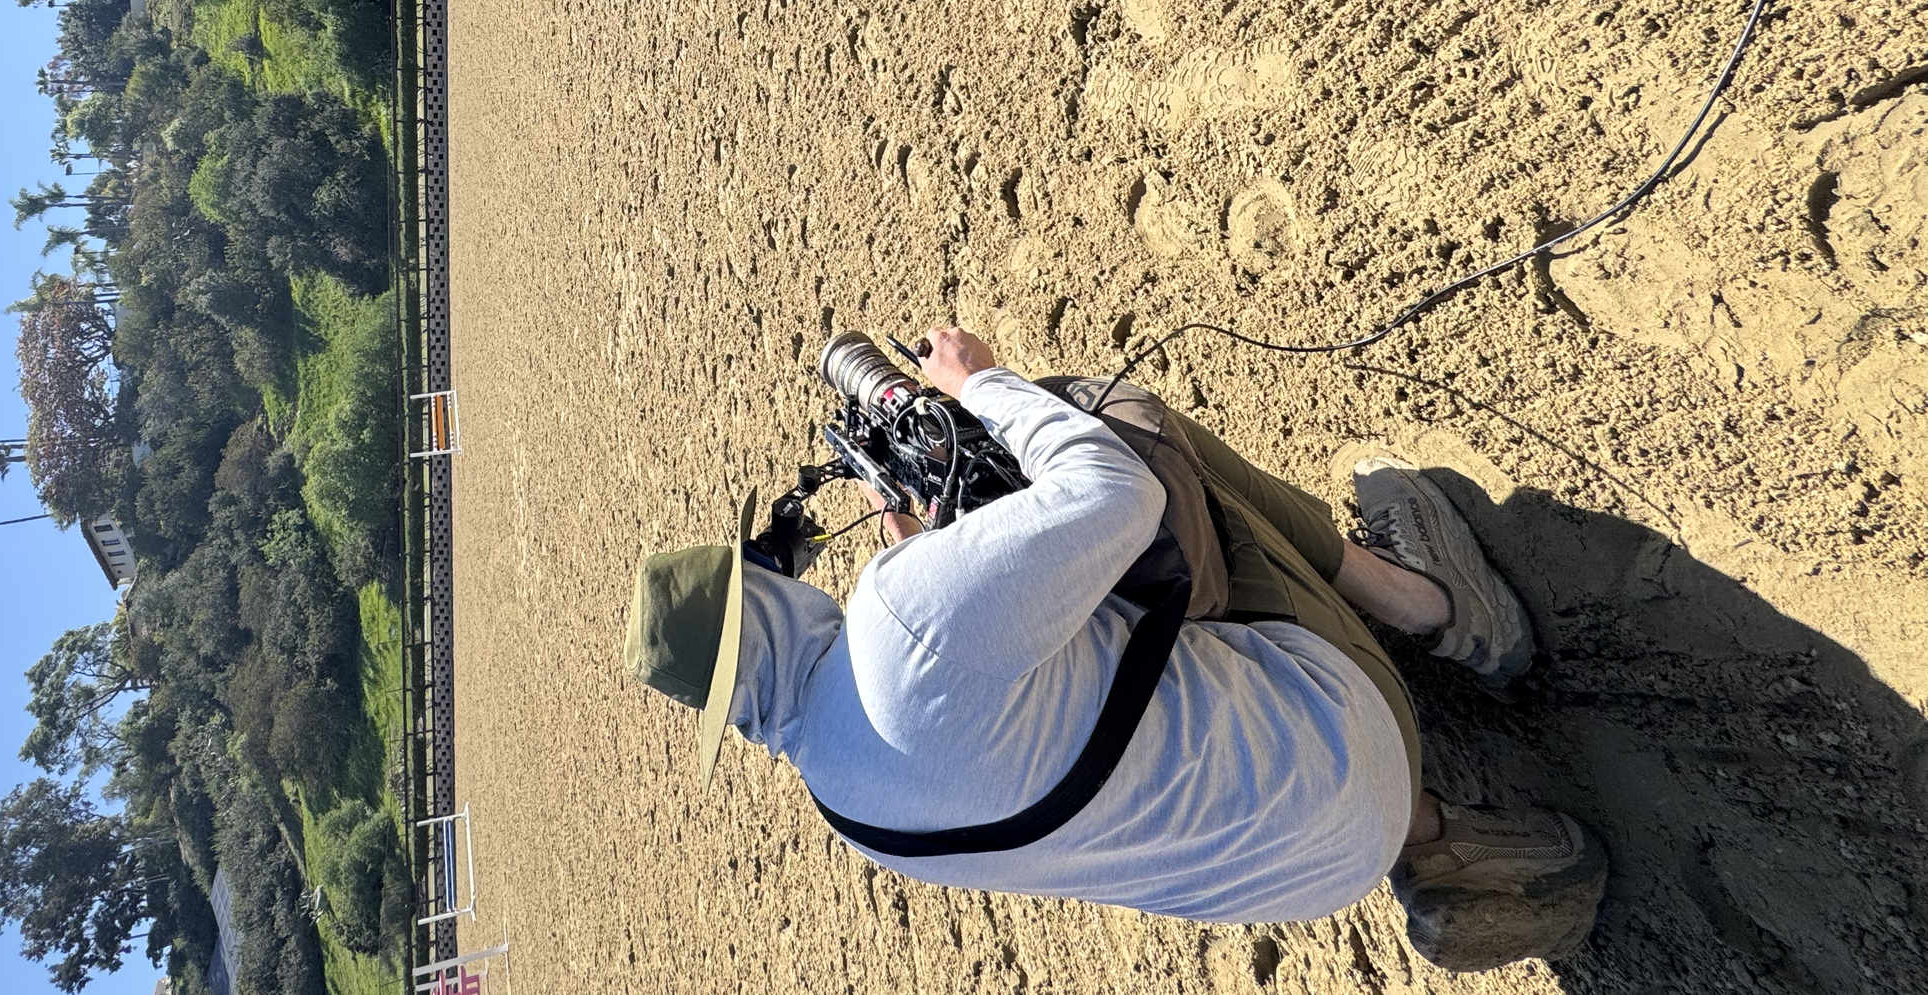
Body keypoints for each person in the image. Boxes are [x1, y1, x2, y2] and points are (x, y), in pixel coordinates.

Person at [624, 324, 1607, 973]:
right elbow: (1110, 495)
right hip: (1353, 737)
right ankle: (1436, 605)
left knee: (1156, 753)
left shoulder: (844, 804)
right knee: (1115, 423)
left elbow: (987, 714)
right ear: (760, 598)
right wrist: (984, 385)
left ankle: (1440, 848)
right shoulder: (897, 615)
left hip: (1310, 871)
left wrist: (932, 549)